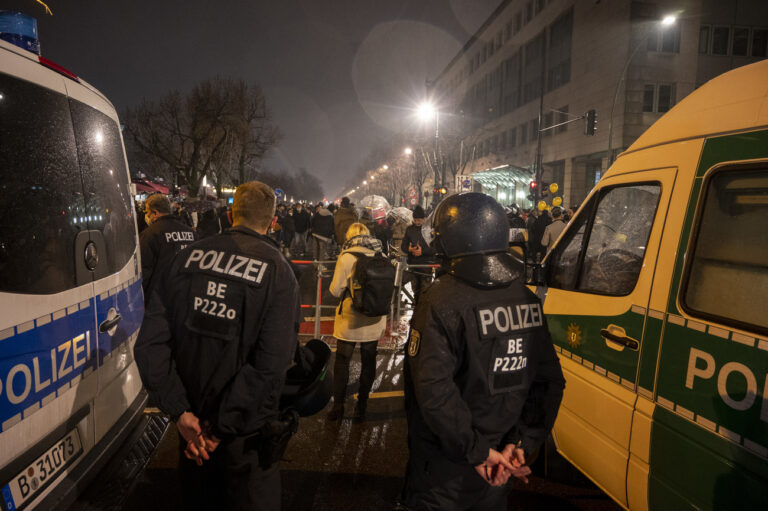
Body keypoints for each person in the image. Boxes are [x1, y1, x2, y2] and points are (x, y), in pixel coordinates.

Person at [134, 181, 300, 511]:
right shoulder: (278, 273)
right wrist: (220, 430)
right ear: (271, 220)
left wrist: (180, 412)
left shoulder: (184, 259)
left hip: (191, 433)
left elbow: (150, 345)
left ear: (229, 214)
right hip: (244, 444)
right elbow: (270, 365)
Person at [401, 192, 565, 511]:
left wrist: (476, 451)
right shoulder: (526, 299)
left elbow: (434, 392)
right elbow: (549, 382)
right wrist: (521, 444)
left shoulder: (440, 301)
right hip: (500, 464)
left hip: (445, 470)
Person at [326, 222, 387, 421]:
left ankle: (338, 407)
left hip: (350, 319)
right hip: (374, 317)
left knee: (343, 361)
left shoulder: (346, 257)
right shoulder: (380, 255)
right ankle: (362, 406)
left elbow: (335, 291)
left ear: (350, 237)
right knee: (369, 361)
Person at [139, 193, 196, 301]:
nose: (147, 216)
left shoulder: (149, 235)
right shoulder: (191, 233)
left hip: (160, 299)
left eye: (147, 212)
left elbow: (144, 271)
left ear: (155, 212)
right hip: (186, 294)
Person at [400, 206, 435, 302]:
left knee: (425, 291)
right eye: (415, 220)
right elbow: (403, 246)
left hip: (426, 265)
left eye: (419, 220)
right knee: (415, 290)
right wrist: (409, 249)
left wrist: (422, 251)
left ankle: (423, 311)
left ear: (424, 219)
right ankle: (416, 310)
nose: (417, 222)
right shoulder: (409, 229)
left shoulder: (430, 231)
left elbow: (435, 248)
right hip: (413, 265)